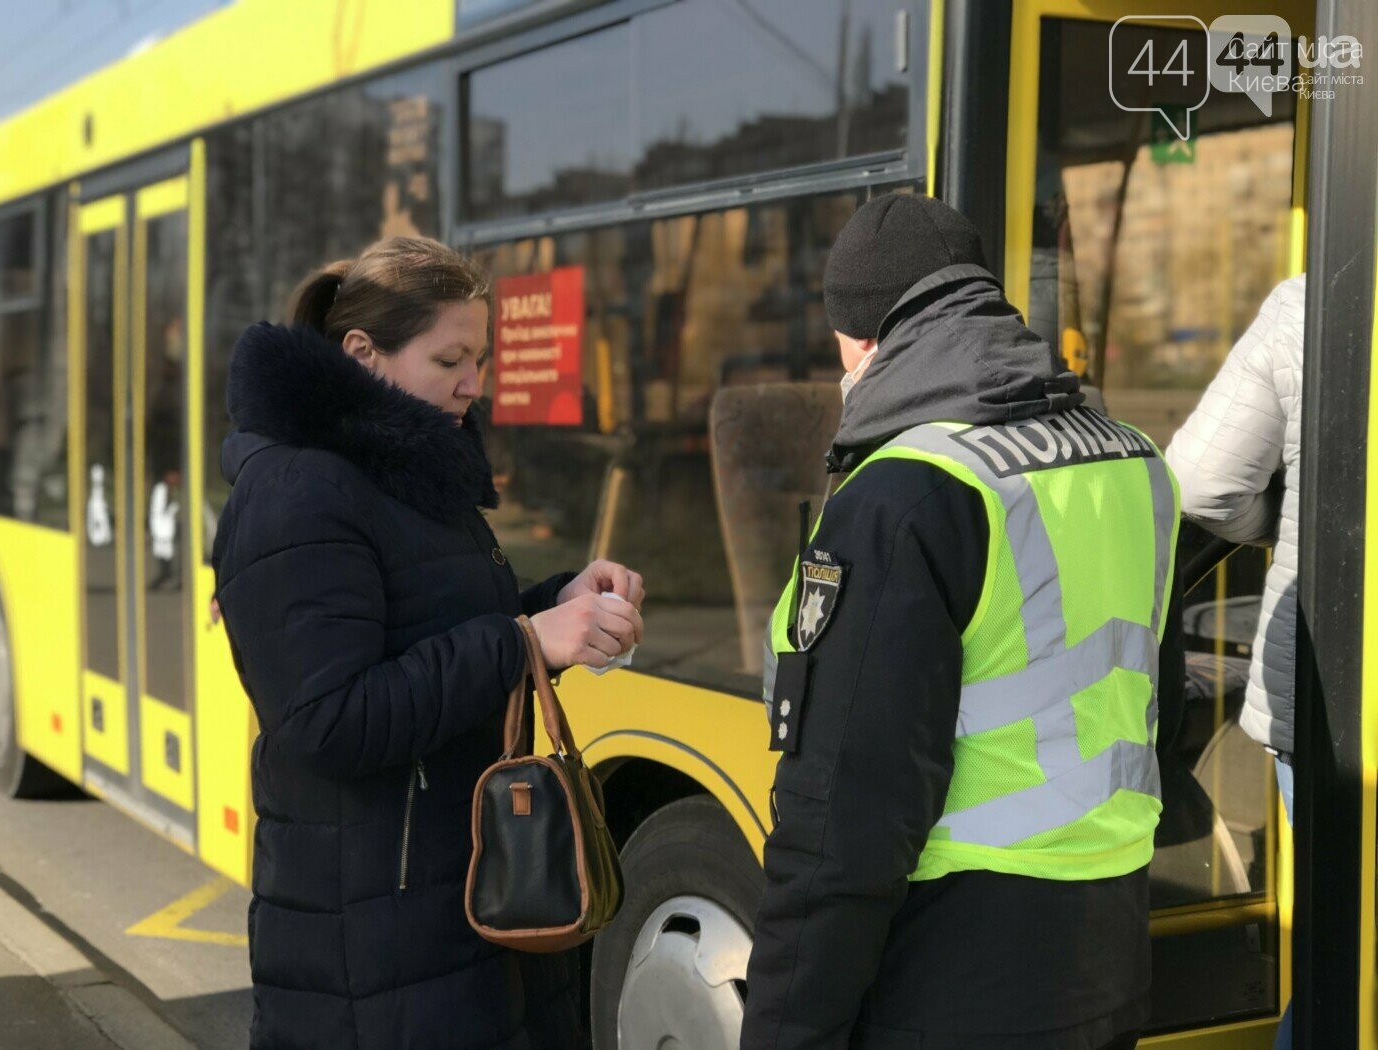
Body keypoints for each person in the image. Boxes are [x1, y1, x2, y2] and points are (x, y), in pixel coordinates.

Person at [740, 195, 1179, 1050]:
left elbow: (843, 820)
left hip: (955, 971)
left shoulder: (903, 496)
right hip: (1112, 947)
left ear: (864, 339)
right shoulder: (1134, 457)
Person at [212, 236, 645, 1050]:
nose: (473, 386)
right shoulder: (298, 493)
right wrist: (524, 642)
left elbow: (438, 626)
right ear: (363, 353)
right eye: (450, 358)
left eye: (479, 359)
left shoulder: (409, 474)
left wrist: (561, 607)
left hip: (449, 912)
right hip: (373, 953)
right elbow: (326, 720)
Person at [1165, 274, 1304, 1049]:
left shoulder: (1313, 300)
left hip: (1331, 696)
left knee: (1341, 953)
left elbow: (1204, 484)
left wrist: (1301, 520)